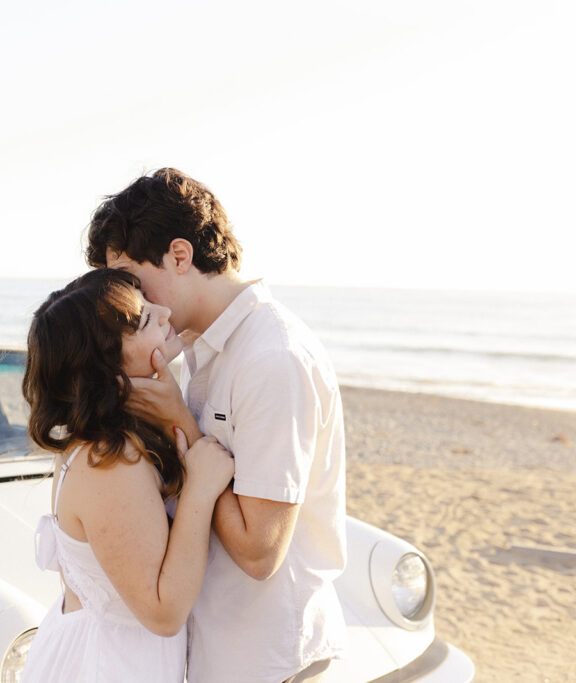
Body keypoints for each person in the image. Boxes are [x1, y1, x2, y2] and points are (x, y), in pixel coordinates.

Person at [86, 168, 347, 683]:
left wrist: (179, 419)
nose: (130, 303)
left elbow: (259, 551)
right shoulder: (198, 348)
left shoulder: (272, 358)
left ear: (179, 256)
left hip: (271, 659)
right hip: (222, 653)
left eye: (133, 283)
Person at [21, 268, 234, 682]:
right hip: (111, 667)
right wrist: (201, 492)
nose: (164, 311)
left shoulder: (88, 439)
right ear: (105, 364)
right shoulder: (110, 461)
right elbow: (163, 611)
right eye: (143, 320)